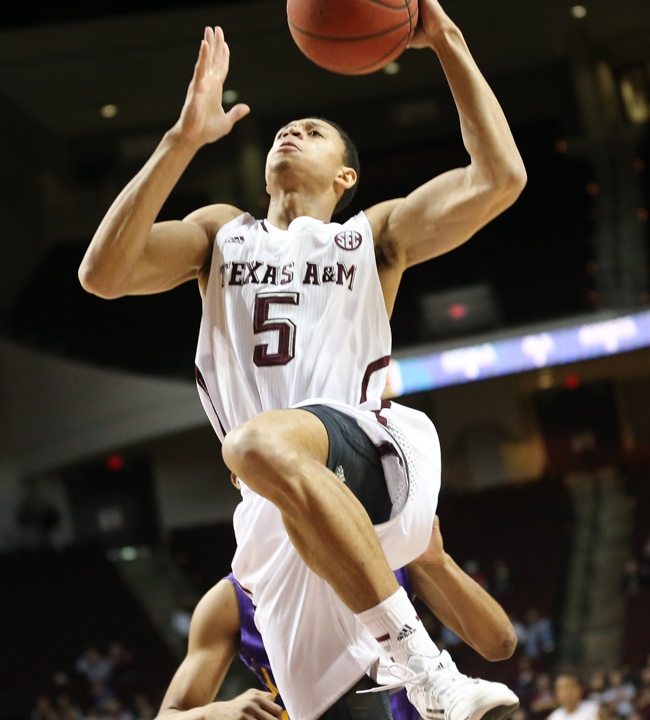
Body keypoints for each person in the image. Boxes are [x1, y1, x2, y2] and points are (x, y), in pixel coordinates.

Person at [78, 0, 527, 718]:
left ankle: (430, 668)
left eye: (313, 131)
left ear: (345, 176)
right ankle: (433, 682)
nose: (291, 131)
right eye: (284, 129)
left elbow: (500, 178)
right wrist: (181, 140)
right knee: (326, 708)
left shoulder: (371, 236)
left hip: (372, 452)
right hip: (272, 506)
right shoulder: (219, 234)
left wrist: (446, 40)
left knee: (254, 440)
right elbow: (102, 276)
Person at [156, 517, 517, 720]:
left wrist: (438, 562)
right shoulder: (229, 600)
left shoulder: (388, 554)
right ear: (242, 480)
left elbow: (499, 643)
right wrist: (212, 714)